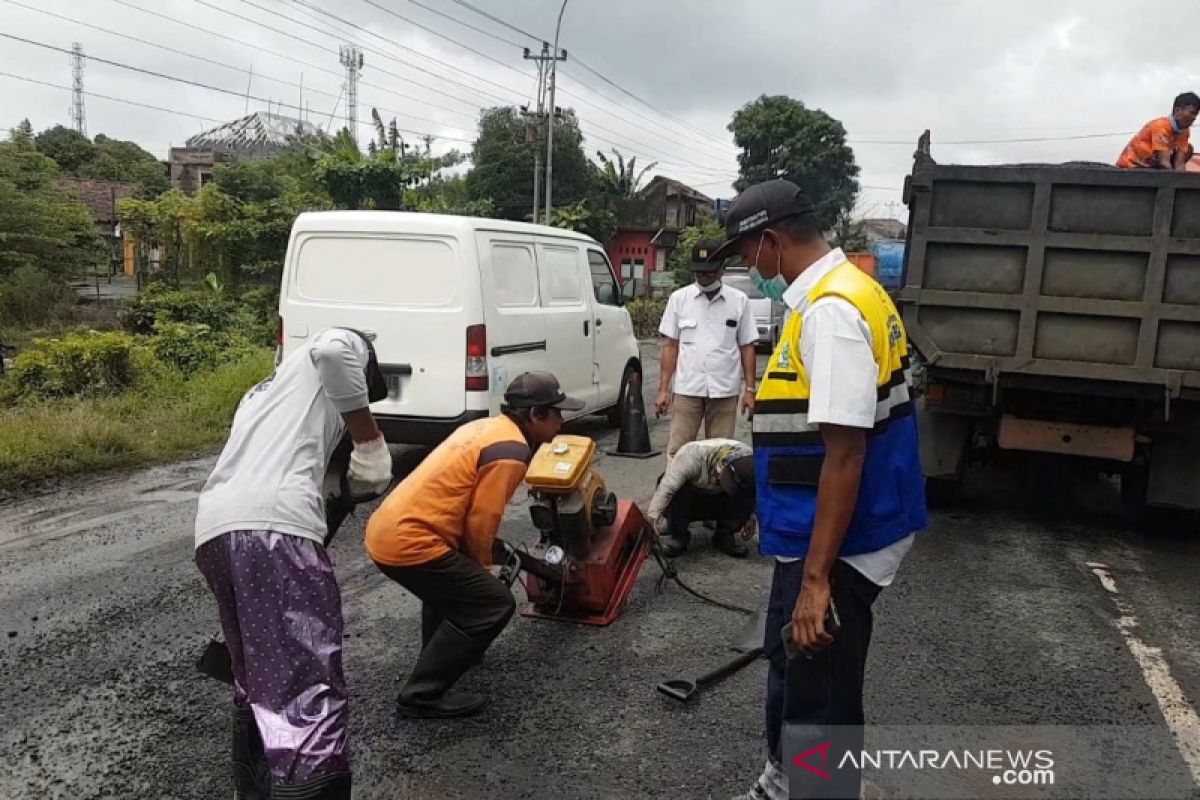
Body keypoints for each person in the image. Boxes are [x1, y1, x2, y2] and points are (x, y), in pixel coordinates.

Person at [707, 180, 927, 800]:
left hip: (840, 537)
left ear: (771, 241)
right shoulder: (844, 293)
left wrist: (816, 581)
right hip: (812, 528)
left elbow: (847, 452)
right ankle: (785, 778)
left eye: (748, 252)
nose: (751, 267)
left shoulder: (831, 313)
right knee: (791, 664)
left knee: (821, 692)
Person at [194, 328, 395, 800]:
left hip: (217, 529)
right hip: (274, 530)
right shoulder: (338, 343)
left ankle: (258, 791)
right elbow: (332, 349)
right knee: (306, 687)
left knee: (255, 674)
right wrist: (369, 441)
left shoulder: (260, 395)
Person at [364, 371, 580, 719]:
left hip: (386, 530)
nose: (562, 421)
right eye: (556, 413)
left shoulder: (486, 428)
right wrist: (485, 567)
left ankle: (443, 654)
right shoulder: (512, 451)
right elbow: (482, 519)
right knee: (492, 604)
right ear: (536, 415)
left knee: (451, 589)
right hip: (412, 540)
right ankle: (421, 695)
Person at [655, 239, 759, 462]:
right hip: (687, 388)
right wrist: (663, 389)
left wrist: (750, 389)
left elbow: (747, 346)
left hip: (724, 390)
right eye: (699, 273)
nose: (703, 278)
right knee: (679, 452)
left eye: (709, 273)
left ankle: (715, 497)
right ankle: (679, 495)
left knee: (721, 454)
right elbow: (670, 345)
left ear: (722, 270)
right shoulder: (679, 299)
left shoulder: (739, 301)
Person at [645, 438, 756, 558]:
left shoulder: (750, 459)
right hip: (693, 496)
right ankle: (679, 535)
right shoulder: (690, 457)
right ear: (720, 468)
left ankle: (724, 535)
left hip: (719, 498)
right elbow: (667, 488)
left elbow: (756, 492)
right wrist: (652, 518)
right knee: (676, 489)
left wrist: (751, 516)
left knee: (746, 493)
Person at [1117, 92, 1200, 170]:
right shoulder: (1161, 126)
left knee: (1189, 149)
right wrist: (1172, 181)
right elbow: (1164, 163)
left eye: (1196, 114)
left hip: (1150, 168)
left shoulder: (1184, 131)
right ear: (1178, 110)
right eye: (1192, 113)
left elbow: (1179, 163)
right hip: (1131, 167)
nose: (1194, 118)